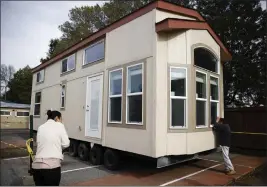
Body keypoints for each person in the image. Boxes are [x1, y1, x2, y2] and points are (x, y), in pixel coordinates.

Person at [32, 110, 70, 186]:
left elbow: (39, 143)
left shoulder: (40, 127)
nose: (61, 121)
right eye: (61, 119)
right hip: (51, 167)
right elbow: (66, 144)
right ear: (56, 118)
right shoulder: (59, 125)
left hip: (36, 166)